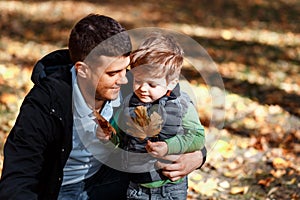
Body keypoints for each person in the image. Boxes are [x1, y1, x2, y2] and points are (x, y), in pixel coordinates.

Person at [0, 14, 206, 200]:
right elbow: (20, 173)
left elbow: (176, 115)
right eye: (112, 73)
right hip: (62, 188)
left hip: (116, 184)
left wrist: (198, 157)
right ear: (82, 70)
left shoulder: (135, 87)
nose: (124, 80)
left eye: (125, 69)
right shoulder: (46, 102)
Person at [97, 32, 205, 199]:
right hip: (135, 186)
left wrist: (169, 147)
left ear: (172, 83)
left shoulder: (181, 105)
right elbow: (120, 139)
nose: (143, 88)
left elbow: (197, 136)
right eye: (138, 80)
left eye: (152, 84)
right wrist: (109, 136)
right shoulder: (128, 104)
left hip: (169, 188)